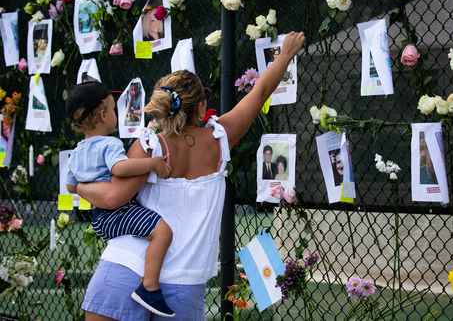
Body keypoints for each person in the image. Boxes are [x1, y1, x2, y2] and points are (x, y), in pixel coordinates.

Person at [77, 31, 305, 321]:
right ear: (200, 106)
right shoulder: (221, 139)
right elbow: (259, 92)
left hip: (125, 267)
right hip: (184, 283)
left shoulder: (149, 145)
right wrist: (284, 55)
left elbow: (112, 198)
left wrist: (80, 186)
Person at [65, 82, 176, 318]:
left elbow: (71, 186)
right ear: (103, 114)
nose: (116, 115)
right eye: (114, 110)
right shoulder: (110, 144)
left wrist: (90, 188)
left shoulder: (76, 152)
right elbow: (119, 169)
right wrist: (153, 164)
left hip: (99, 218)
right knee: (163, 232)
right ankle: (150, 287)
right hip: (119, 213)